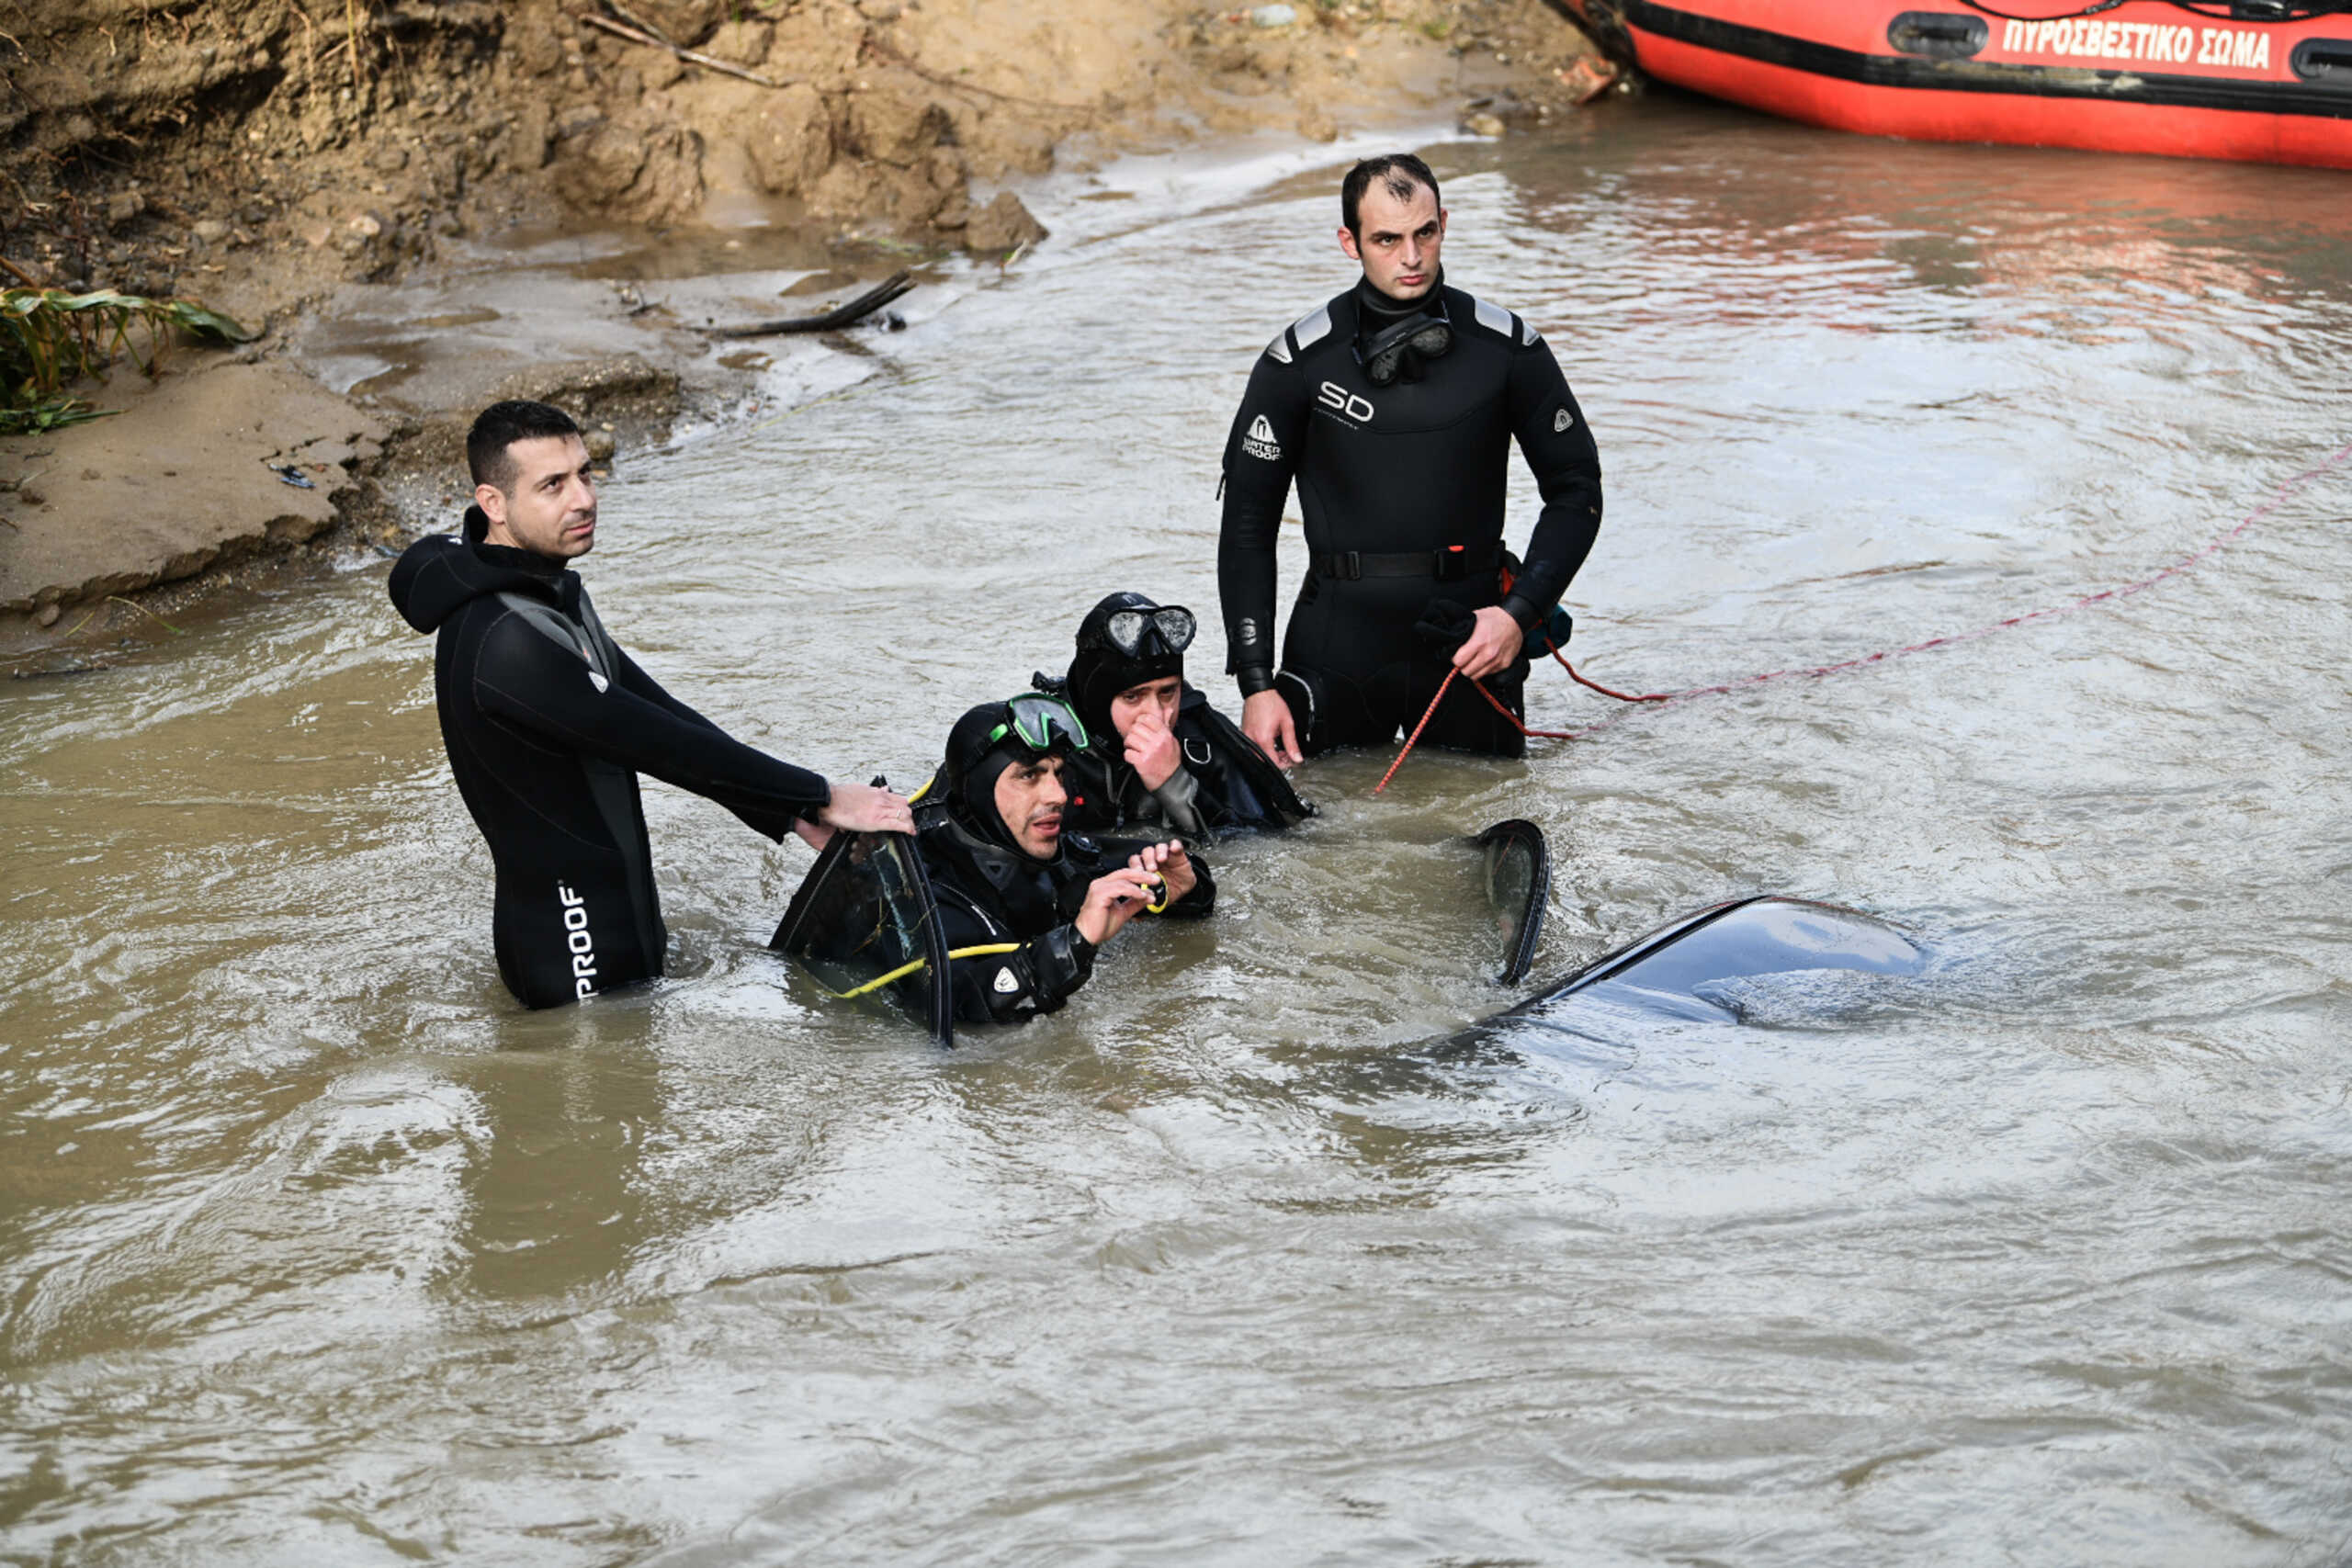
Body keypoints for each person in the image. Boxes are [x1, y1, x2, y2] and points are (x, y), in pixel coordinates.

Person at [388, 398, 910, 1010]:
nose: (582, 498)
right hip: (573, 966)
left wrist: (789, 812)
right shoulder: (509, 644)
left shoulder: (541, 590)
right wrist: (820, 793)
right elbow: (657, 745)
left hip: (621, 937)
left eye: (584, 473)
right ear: (494, 504)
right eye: (552, 485)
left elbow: (659, 711)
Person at [1217, 152, 1604, 764]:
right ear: (1350, 242)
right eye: (1387, 239)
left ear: (1444, 222)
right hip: (1335, 649)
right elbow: (1246, 527)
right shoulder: (1297, 364)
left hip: (1473, 643)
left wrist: (1516, 615)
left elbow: (1577, 489)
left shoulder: (1505, 349)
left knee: (1486, 825)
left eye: (1425, 232)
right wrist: (1256, 684)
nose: (1412, 256)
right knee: (1314, 850)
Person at [917, 693, 1214, 1024]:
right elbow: (958, 1006)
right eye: (1029, 775)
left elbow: (1183, 875)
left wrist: (1179, 890)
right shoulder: (921, 893)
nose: (1059, 795)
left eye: (1058, 774)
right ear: (981, 791)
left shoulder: (1064, 856)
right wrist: (1076, 941)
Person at [1040, 591, 1312, 839]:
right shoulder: (1044, 749)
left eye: (1168, 692)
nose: (1158, 715)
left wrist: (1174, 784)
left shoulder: (1200, 734)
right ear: (1096, 701)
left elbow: (1268, 841)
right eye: (1133, 697)